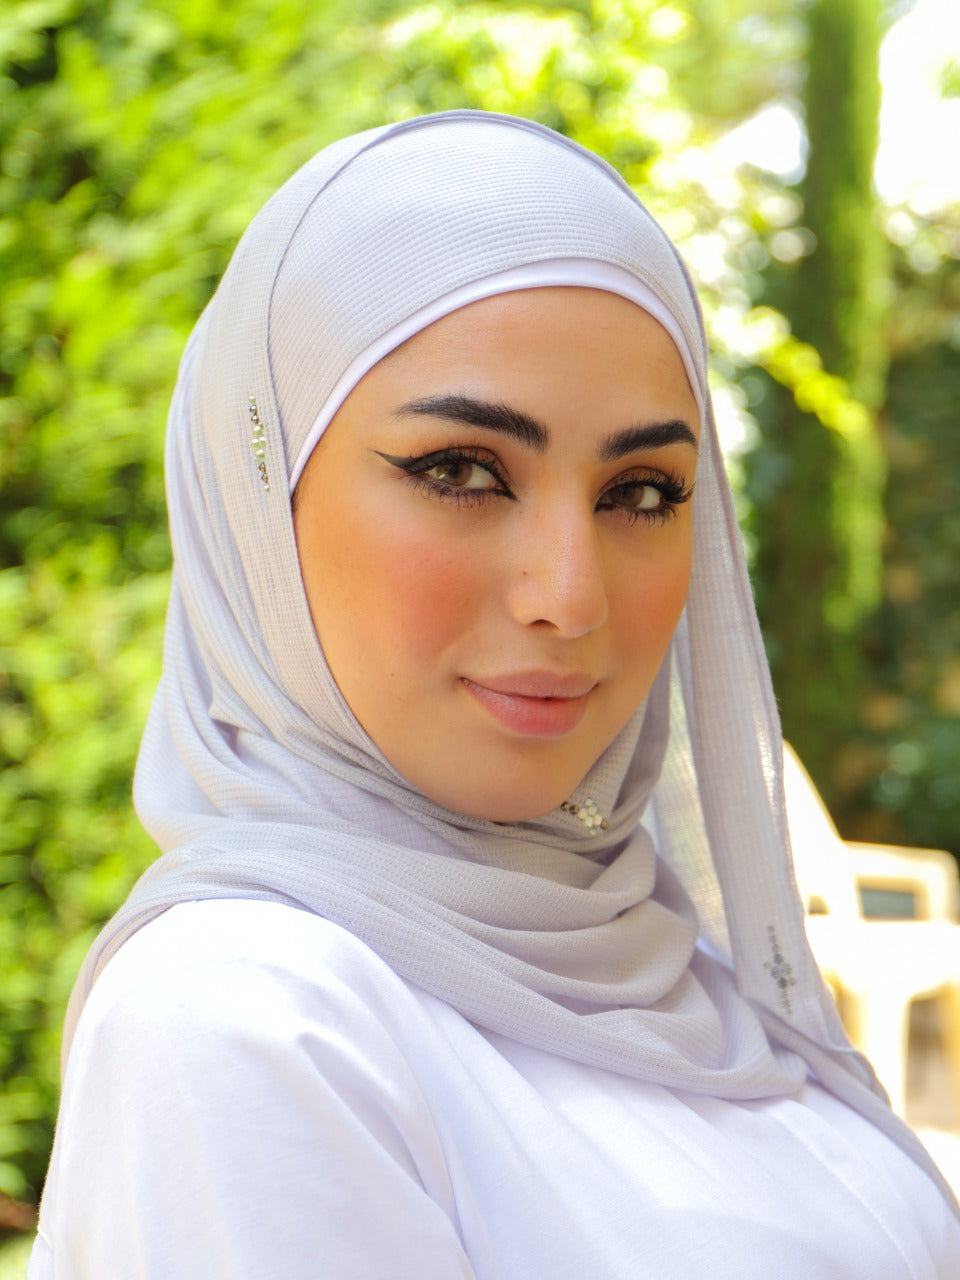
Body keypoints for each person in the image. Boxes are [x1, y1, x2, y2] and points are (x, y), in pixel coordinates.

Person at [28, 110, 960, 1277]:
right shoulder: (249, 1017)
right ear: (261, 504)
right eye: (460, 471)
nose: (568, 597)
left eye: (642, 491)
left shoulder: (665, 961)